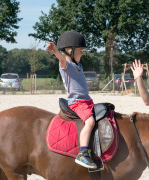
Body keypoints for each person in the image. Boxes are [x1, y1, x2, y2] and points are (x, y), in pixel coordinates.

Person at [46, 30, 97, 169]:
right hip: (77, 102)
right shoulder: (66, 65)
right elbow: (62, 59)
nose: (82, 53)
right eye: (80, 50)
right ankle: (83, 154)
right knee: (90, 122)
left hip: (87, 101)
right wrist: (56, 51)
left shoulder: (78, 66)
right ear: (70, 51)